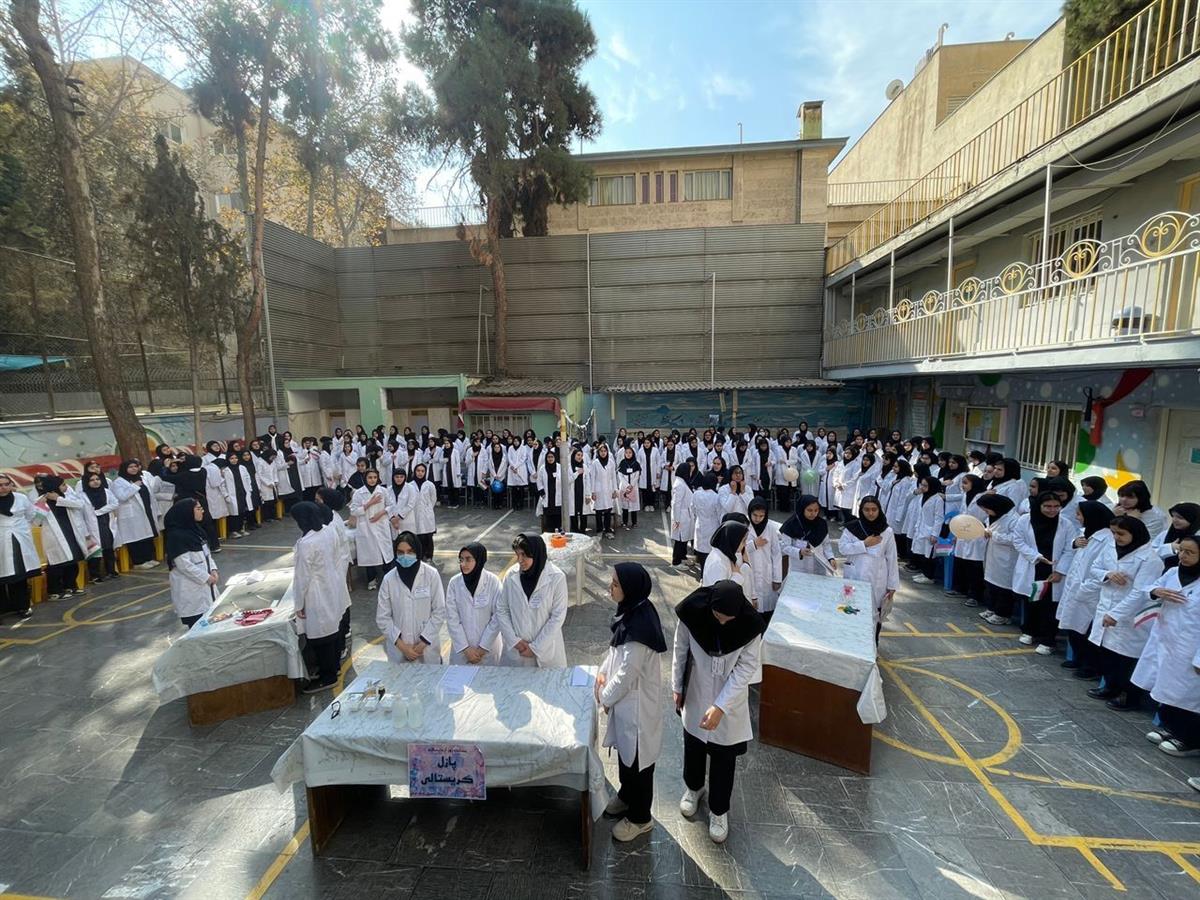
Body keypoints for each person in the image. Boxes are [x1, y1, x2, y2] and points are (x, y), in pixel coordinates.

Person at [672, 580, 765, 844]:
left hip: (729, 697)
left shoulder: (750, 626)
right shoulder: (692, 613)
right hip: (697, 688)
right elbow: (680, 648)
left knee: (724, 756)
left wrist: (721, 706)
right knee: (693, 744)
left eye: (728, 619)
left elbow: (745, 668)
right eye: (717, 616)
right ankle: (694, 788)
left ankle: (719, 809)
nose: (722, 623)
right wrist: (677, 685)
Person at [598, 562, 667, 842]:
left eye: (615, 584)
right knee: (627, 758)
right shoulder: (632, 609)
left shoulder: (639, 629)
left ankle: (640, 818)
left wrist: (605, 697)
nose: (610, 587)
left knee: (639, 764)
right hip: (626, 705)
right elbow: (615, 651)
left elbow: (627, 673)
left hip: (637, 709)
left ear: (630, 588)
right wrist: (603, 672)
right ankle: (626, 796)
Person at [1088, 516, 1163, 710]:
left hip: (1131, 616)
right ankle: (1110, 687)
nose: (1116, 537)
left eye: (1121, 534)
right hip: (1106, 607)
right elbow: (1095, 567)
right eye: (1113, 533)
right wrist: (1108, 574)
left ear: (1135, 534)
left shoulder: (1150, 559)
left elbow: (1140, 592)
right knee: (1108, 653)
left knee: (1127, 659)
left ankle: (1129, 697)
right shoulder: (1110, 547)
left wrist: (1116, 614)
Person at [1134, 535, 1200, 755]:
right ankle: (1171, 728)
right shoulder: (1173, 573)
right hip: (1166, 642)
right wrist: (1156, 592)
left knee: (1188, 696)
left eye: (1190, 552)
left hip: (1191, 649)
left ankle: (1190, 740)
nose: (1183, 556)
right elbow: (1149, 588)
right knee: (1166, 690)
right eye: (1181, 550)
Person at [292, 501, 352, 693]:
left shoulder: (306, 543)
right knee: (333, 627)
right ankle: (334, 666)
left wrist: (299, 603)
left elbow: (302, 577)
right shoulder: (328, 531)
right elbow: (336, 556)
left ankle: (328, 676)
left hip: (316, 592)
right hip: (332, 584)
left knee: (321, 634)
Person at [1012, 490, 1079, 655]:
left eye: (1056, 506)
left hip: (1054, 571)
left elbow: (1069, 549)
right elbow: (1018, 541)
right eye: (1047, 506)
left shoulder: (1066, 524)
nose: (1052, 510)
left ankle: (1048, 640)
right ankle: (1029, 631)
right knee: (1032, 601)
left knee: (1050, 607)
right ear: (1039, 506)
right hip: (1033, 565)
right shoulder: (1025, 520)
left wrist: (1060, 571)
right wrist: (1036, 556)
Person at [1054, 500, 1115, 678]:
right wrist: (1074, 543)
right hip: (1075, 587)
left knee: (1087, 631)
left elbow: (1104, 567)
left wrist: (1087, 587)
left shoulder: (1107, 539)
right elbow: (1077, 554)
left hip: (1090, 592)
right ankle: (1078, 659)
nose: (1077, 517)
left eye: (1080, 514)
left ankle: (1091, 667)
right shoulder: (1085, 532)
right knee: (1073, 627)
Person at [497, 533, 568, 667]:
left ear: (536, 553)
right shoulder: (511, 575)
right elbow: (502, 610)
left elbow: (558, 616)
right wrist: (514, 641)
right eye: (517, 555)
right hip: (518, 650)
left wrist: (536, 647)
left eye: (524, 555)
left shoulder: (557, 577)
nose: (520, 560)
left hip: (546, 651)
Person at [376, 531, 446, 665]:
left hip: (427, 649)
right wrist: (403, 647)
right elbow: (382, 618)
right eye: (400, 552)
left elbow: (439, 611)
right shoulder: (389, 579)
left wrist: (422, 644)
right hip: (399, 650)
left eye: (410, 551)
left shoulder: (431, 575)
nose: (405, 556)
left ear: (417, 552)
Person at [837, 496, 899, 640]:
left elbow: (891, 558)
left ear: (879, 510)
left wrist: (892, 585)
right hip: (854, 575)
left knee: (874, 615)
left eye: (874, 509)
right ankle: (849, 642)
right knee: (850, 609)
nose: (870, 513)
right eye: (866, 510)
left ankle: (872, 646)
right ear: (861, 510)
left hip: (878, 578)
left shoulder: (887, 531)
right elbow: (842, 548)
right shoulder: (852, 528)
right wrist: (864, 544)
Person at [445, 543, 503, 666]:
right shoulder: (454, 583)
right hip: (462, 652)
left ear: (479, 559)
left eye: (468, 559)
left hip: (487, 651)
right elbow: (452, 619)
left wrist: (483, 647)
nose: (463, 564)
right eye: (461, 560)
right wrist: (466, 649)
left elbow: (497, 617)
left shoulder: (493, 582)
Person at [164, 499, 218, 629]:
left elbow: (207, 555)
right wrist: (206, 577)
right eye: (198, 509)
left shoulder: (197, 531)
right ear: (187, 512)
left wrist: (213, 570)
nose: (202, 511)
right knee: (197, 626)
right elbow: (184, 565)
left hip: (207, 583)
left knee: (212, 619)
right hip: (191, 589)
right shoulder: (176, 537)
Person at [35, 476, 88, 599]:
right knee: (57, 565)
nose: (66, 487)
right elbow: (36, 521)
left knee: (72, 562)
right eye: (63, 485)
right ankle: (55, 591)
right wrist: (41, 506)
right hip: (54, 537)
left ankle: (70, 586)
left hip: (70, 533)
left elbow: (80, 505)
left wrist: (58, 499)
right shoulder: (40, 501)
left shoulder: (66, 496)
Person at [0, 474, 39, 621]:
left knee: (20, 574)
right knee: (3, 574)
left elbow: (31, 515)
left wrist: (22, 528)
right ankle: (3, 608)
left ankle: (22, 606)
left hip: (20, 537)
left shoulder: (21, 498)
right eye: (0, 485)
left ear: (11, 485)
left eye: (6, 484)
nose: (3, 487)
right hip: (2, 540)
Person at [111, 459, 161, 568]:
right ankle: (138, 562)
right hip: (131, 515)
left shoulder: (141, 478)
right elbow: (121, 496)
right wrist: (134, 486)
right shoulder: (118, 482)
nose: (134, 469)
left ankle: (148, 558)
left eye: (135, 466)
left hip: (146, 510)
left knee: (148, 536)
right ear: (124, 469)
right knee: (136, 538)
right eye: (130, 467)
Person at [351, 469, 392, 590]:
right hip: (366, 528)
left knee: (385, 555)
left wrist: (381, 513)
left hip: (381, 525)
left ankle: (388, 580)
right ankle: (371, 580)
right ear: (365, 478)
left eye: (375, 477)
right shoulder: (358, 493)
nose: (373, 480)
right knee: (370, 556)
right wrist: (370, 503)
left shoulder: (383, 491)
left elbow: (391, 505)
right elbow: (354, 511)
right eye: (370, 477)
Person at [779, 494, 836, 578]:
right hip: (799, 566)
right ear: (802, 509)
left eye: (816, 510)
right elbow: (783, 546)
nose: (813, 513)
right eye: (809, 510)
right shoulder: (791, 524)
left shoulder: (821, 524)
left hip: (818, 565)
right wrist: (799, 552)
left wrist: (831, 558)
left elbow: (826, 544)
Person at [76, 472, 120, 582]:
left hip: (106, 523)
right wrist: (85, 532)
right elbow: (80, 516)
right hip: (91, 526)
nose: (95, 482)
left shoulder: (106, 491)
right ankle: (95, 575)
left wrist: (100, 511)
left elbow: (115, 503)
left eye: (97, 479)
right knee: (95, 552)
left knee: (108, 548)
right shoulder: (82, 496)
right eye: (92, 480)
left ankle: (111, 571)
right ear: (86, 482)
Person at [745, 498, 783, 621]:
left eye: (761, 516)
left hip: (767, 573)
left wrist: (777, 578)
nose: (757, 519)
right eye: (755, 515)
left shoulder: (770, 528)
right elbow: (738, 550)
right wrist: (753, 544)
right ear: (750, 512)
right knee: (751, 608)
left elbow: (776, 554)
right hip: (750, 571)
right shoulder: (744, 526)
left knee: (767, 610)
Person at [909, 475, 945, 586]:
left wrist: (935, 534)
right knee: (922, 553)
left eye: (925, 486)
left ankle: (929, 576)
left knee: (929, 555)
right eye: (922, 485)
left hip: (930, 531)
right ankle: (924, 573)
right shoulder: (923, 496)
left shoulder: (938, 499)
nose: (922, 487)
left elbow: (939, 518)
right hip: (921, 528)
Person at [702, 521, 751, 589]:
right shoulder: (718, 563)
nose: (745, 544)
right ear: (733, 540)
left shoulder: (726, 554)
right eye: (743, 541)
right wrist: (737, 577)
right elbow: (720, 592)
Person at [692, 474, 723, 575]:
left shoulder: (696, 494)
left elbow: (692, 509)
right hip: (712, 526)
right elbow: (719, 513)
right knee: (711, 552)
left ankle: (702, 574)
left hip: (700, 524)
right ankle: (708, 574)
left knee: (701, 551)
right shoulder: (716, 497)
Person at [670, 459, 698, 567]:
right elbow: (676, 503)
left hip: (686, 515)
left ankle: (683, 557)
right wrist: (676, 520)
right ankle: (676, 562)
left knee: (684, 539)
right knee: (680, 540)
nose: (691, 472)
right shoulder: (680, 484)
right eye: (689, 470)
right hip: (681, 516)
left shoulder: (683, 482)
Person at [409, 463, 438, 561]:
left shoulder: (430, 485)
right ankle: (419, 555)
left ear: (425, 472)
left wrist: (427, 508)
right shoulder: (410, 485)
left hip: (427, 514)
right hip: (415, 514)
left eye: (422, 471)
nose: (420, 473)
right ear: (414, 472)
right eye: (418, 471)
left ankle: (429, 555)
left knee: (428, 536)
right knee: (417, 536)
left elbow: (433, 499)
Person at [590, 443, 618, 538]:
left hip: (609, 489)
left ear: (607, 452)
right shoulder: (595, 463)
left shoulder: (611, 462)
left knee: (608, 511)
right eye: (601, 451)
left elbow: (613, 477)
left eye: (605, 451)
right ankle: (599, 530)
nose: (603, 453)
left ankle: (607, 530)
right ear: (598, 452)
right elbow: (592, 478)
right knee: (598, 511)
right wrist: (593, 492)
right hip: (598, 490)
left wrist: (615, 490)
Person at [566, 447, 593, 534]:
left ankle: (583, 530)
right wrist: (577, 473)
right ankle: (575, 531)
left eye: (581, 455)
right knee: (573, 513)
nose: (580, 457)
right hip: (573, 493)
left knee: (583, 513)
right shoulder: (569, 467)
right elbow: (568, 480)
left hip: (582, 492)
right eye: (578, 455)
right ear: (574, 455)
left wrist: (588, 495)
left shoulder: (584, 466)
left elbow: (588, 481)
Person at [536, 450, 563, 533]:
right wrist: (541, 491)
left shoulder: (559, 467)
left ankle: (558, 533)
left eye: (552, 457)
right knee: (548, 519)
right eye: (548, 457)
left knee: (557, 518)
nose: (550, 459)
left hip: (557, 496)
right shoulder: (542, 468)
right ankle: (549, 533)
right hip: (547, 496)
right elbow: (539, 481)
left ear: (555, 458)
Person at [617, 446, 642, 529]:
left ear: (633, 454)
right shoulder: (622, 463)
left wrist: (631, 485)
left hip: (633, 487)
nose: (628, 454)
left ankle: (634, 522)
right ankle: (624, 522)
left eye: (630, 453)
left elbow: (637, 475)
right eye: (626, 453)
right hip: (624, 487)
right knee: (625, 506)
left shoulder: (636, 463)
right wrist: (627, 485)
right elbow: (620, 475)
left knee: (633, 505)